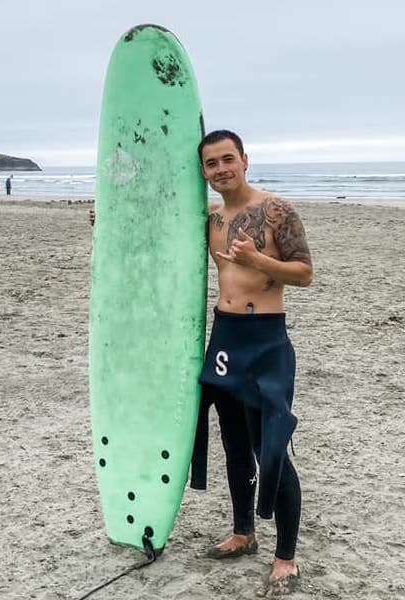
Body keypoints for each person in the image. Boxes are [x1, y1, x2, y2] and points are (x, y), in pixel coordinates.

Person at [192, 129, 312, 596]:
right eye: (211, 164)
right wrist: (109, 221)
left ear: (244, 159)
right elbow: (153, 235)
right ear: (203, 172)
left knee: (272, 448)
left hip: (265, 341)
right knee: (235, 445)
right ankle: (244, 532)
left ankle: (285, 556)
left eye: (228, 159)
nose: (221, 169)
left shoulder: (276, 210)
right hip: (224, 338)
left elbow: (304, 274)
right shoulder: (209, 219)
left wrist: (259, 259)